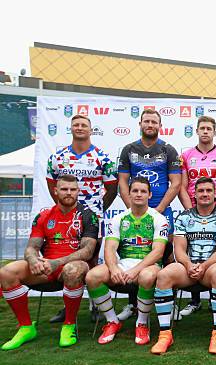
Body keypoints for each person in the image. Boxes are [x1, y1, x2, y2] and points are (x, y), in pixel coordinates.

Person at [0, 175, 98, 349]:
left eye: (73, 189)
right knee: (7, 272)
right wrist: (33, 260)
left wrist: (56, 262)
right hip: (46, 268)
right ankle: (26, 327)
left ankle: (69, 325)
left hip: (73, 267)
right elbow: (31, 247)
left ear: (78, 192)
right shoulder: (44, 216)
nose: (69, 193)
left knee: (72, 269)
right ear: (55, 191)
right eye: (64, 189)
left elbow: (87, 251)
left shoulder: (88, 215)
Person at [46, 114, 118, 323]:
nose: (80, 128)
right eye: (76, 125)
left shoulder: (102, 157)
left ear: (90, 130)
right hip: (67, 216)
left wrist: (96, 209)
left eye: (83, 125)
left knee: (93, 259)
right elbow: (52, 185)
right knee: (68, 258)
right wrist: (64, 208)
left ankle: (95, 304)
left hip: (92, 216)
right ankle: (68, 307)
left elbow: (112, 188)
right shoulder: (58, 157)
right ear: (71, 128)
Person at [151, 177, 216, 355]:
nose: (205, 194)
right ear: (194, 194)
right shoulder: (184, 216)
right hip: (188, 266)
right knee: (164, 275)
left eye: (209, 191)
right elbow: (179, 248)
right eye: (201, 191)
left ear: (215, 194)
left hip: (210, 267)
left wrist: (203, 266)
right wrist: (188, 264)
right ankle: (165, 334)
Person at [86, 177, 168, 345]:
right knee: (92, 276)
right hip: (123, 264)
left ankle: (142, 323)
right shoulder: (119, 218)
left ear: (150, 195)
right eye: (135, 191)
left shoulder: (158, 218)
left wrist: (135, 270)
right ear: (129, 194)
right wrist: (114, 268)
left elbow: (158, 252)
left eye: (143, 191)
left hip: (148, 266)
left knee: (146, 276)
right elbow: (109, 248)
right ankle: (112, 321)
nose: (139, 194)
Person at [116, 109, 181, 321]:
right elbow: (123, 183)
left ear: (159, 125)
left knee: (167, 255)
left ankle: (167, 303)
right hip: (135, 212)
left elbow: (176, 183)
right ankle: (132, 305)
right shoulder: (128, 149)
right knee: (133, 253)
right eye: (147, 121)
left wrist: (158, 209)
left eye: (154, 121)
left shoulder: (168, 149)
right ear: (140, 124)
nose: (150, 124)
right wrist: (132, 210)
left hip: (162, 211)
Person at [177, 115, 216, 317]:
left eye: (209, 128)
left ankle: (214, 297)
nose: (206, 131)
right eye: (202, 128)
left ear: (215, 132)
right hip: (193, 209)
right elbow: (182, 186)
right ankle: (194, 301)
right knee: (193, 249)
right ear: (197, 131)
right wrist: (188, 211)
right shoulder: (185, 156)